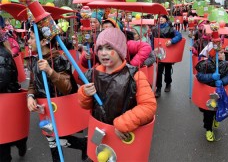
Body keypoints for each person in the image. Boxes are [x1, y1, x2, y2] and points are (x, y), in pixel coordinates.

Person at [78, 27, 156, 141]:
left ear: (120, 50)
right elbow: (86, 105)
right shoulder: (94, 74)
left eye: (109, 48)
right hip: (99, 131)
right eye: (100, 48)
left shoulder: (135, 76)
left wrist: (123, 123)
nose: (103, 53)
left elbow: (148, 106)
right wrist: (84, 94)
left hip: (122, 136)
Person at [26, 27, 88, 162]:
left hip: (60, 107)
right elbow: (32, 84)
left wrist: (50, 71)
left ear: (43, 41)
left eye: (31, 37)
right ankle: (82, 145)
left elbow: (67, 87)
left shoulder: (59, 59)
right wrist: (30, 96)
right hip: (44, 107)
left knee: (56, 139)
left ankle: (84, 145)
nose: (28, 41)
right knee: (51, 138)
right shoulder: (35, 61)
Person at [195, 43, 228, 141]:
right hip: (207, 93)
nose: (223, 54)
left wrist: (222, 81)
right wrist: (211, 77)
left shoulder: (226, 65)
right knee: (208, 112)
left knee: (218, 108)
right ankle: (208, 129)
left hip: (220, 92)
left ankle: (216, 118)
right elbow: (199, 77)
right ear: (213, 54)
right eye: (220, 53)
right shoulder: (205, 65)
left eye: (223, 52)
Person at [0, 30, 27, 162]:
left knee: (4, 135)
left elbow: (2, 81)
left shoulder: (2, 54)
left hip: (6, 98)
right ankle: (20, 141)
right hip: (5, 98)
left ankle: (20, 143)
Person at [151, 15, 182, 98]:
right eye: (159, 17)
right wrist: (152, 51)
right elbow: (152, 40)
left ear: (166, 19)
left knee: (168, 70)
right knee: (159, 71)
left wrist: (172, 41)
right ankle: (158, 88)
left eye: (163, 17)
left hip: (168, 53)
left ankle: (168, 83)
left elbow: (179, 36)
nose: (160, 19)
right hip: (158, 53)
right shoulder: (154, 28)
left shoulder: (170, 28)